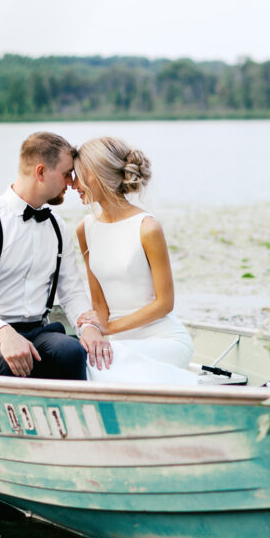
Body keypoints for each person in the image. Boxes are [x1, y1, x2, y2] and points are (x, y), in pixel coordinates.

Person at [0, 131, 112, 380]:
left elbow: (72, 293)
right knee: (6, 362)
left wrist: (88, 328)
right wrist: (3, 333)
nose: (71, 183)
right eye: (66, 173)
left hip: (38, 333)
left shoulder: (58, 227)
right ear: (40, 173)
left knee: (72, 352)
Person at [73, 136, 206, 385]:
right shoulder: (85, 230)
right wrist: (93, 327)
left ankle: (190, 386)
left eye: (78, 176)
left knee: (99, 365)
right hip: (119, 344)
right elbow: (100, 305)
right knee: (84, 357)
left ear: (96, 174)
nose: (72, 185)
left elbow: (165, 304)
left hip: (164, 341)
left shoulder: (147, 227)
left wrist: (109, 329)